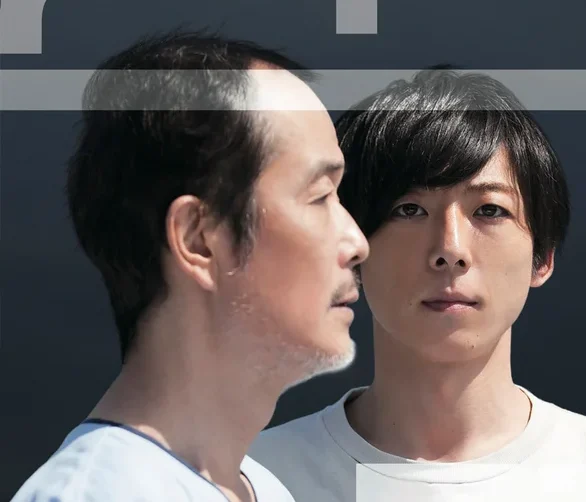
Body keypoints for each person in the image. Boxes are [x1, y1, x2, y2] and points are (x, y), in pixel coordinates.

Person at [248, 69, 586, 501]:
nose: (450, 248)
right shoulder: (254, 481)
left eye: (489, 210)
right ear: (351, 249)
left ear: (543, 256)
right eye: (409, 210)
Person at [11, 30, 368, 502]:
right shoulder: (99, 493)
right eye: (320, 196)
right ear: (198, 239)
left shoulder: (262, 488)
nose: (357, 243)